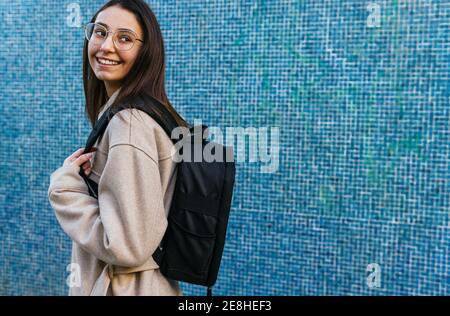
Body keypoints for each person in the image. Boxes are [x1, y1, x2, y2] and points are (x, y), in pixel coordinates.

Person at [48, 0, 189, 296]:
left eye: (124, 38)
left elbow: (127, 246)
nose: (106, 46)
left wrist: (65, 189)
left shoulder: (129, 123)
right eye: (99, 32)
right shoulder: (142, 114)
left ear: (145, 52)